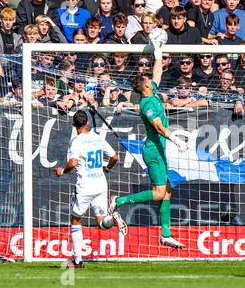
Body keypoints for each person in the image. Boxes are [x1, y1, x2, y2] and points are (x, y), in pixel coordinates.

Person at [108, 36, 189, 249]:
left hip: (159, 150)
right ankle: (119, 202)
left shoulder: (151, 89)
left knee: (167, 191)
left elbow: (157, 72)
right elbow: (157, 126)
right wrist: (174, 138)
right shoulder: (146, 103)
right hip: (153, 151)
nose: (150, 80)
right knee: (159, 192)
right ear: (144, 87)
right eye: (146, 80)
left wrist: (158, 52)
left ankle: (166, 234)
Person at [55, 109, 126, 268]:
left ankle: (78, 260)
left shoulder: (77, 141)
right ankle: (113, 219)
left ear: (74, 125)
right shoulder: (98, 138)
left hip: (85, 186)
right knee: (101, 223)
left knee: (75, 220)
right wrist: (106, 169)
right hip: (100, 184)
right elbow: (115, 157)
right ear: (87, 123)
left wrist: (62, 171)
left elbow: (72, 163)